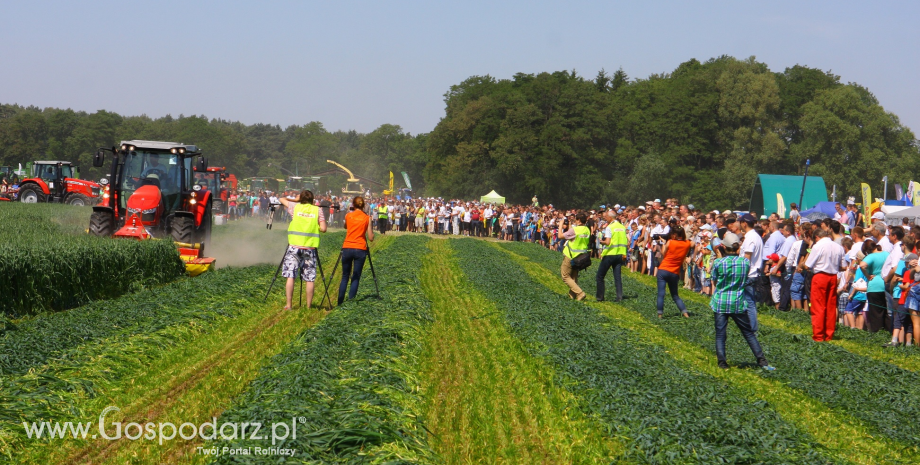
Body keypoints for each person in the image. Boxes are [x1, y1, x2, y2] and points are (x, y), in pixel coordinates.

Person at [709, 232, 775, 370]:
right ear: (738, 247)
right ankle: (762, 360)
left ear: (723, 246)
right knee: (748, 332)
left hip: (721, 301)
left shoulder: (718, 262)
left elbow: (714, 279)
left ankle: (722, 362)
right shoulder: (744, 262)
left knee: (721, 333)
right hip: (738, 301)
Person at [277, 190, 327, 310]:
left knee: (291, 276)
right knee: (309, 278)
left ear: (301, 199)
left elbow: (281, 199)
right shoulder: (317, 210)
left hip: (294, 246)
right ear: (312, 199)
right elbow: (324, 228)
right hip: (309, 248)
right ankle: (308, 306)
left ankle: (289, 305)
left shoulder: (295, 207)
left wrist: (295, 200)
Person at [799, 228, 846, 341]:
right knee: (830, 306)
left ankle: (818, 335)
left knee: (818, 307)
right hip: (833, 277)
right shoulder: (838, 247)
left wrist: (802, 265)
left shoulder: (818, 246)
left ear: (816, 237)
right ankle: (829, 334)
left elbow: (808, 265)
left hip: (820, 277)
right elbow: (843, 266)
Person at [338, 196, 374, 305]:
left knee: (345, 276)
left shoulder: (348, 215)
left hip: (347, 246)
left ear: (353, 204)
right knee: (356, 276)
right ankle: (350, 301)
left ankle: (340, 302)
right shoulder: (367, 218)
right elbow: (371, 238)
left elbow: (345, 227)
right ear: (363, 205)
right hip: (360, 248)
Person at [656, 226, 691, 318]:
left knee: (661, 294)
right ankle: (685, 313)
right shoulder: (687, 243)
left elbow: (664, 254)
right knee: (675, 295)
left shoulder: (670, 242)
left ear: (674, 235)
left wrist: (663, 244)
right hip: (675, 272)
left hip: (664, 269)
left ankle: (660, 314)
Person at [739, 213, 764, 331]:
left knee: (749, 303)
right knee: (749, 302)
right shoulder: (755, 236)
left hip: (748, 274)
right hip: (753, 273)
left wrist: (742, 275)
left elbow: (747, 258)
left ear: (744, 223)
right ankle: (749, 326)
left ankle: (752, 328)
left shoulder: (750, 238)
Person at [596, 209, 627, 302]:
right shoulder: (622, 227)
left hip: (610, 254)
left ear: (610, 217)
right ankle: (619, 296)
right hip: (620, 254)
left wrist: (602, 241)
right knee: (617, 277)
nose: (605, 219)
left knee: (600, 276)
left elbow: (608, 242)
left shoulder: (610, 227)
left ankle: (600, 297)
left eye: (606, 217)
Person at [561, 212, 590, 301]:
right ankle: (572, 296)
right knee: (573, 277)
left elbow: (560, 236)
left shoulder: (574, 230)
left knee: (565, 276)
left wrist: (560, 225)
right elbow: (574, 235)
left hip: (571, 256)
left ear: (579, 220)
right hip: (581, 257)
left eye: (576, 219)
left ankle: (580, 293)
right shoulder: (587, 230)